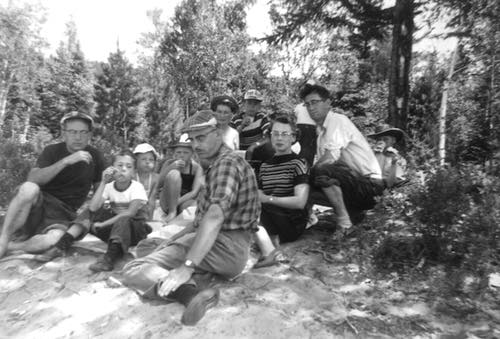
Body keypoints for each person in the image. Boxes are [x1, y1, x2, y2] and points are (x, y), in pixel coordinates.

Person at [121, 110, 260, 326]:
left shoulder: (226, 164)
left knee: (133, 269)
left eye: (201, 138)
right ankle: (199, 277)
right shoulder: (216, 163)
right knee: (150, 245)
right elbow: (199, 220)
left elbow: (214, 217)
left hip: (226, 246)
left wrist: (186, 265)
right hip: (227, 247)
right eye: (192, 139)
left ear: (218, 133)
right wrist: (174, 239)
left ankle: (190, 294)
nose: (196, 145)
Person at [0, 111, 105, 258]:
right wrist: (66, 161)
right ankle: (3, 239)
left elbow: (101, 192)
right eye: (73, 132)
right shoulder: (52, 150)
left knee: (53, 240)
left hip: (63, 213)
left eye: (83, 132)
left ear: (89, 135)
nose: (78, 137)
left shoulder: (96, 156)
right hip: (38, 204)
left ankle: (12, 247)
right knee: (28, 188)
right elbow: (33, 178)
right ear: (64, 133)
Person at [300, 81, 384, 232]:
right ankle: (308, 218)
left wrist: (305, 174)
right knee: (305, 180)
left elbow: (330, 158)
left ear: (328, 103)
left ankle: (345, 224)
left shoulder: (337, 121)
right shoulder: (321, 135)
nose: (311, 108)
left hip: (371, 186)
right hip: (354, 184)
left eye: (315, 102)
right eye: (307, 104)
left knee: (320, 171)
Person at [254, 114, 310, 268]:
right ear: (270, 137)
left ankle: (270, 253)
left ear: (293, 138)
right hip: (270, 217)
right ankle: (269, 247)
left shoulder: (298, 163)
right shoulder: (265, 166)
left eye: (285, 134)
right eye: (275, 133)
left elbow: (300, 202)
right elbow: (258, 195)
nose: (279, 138)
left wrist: (268, 199)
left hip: (291, 222)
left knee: (259, 208)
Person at [87, 150, 152, 272]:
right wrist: (103, 182)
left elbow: (130, 213)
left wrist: (103, 224)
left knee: (124, 217)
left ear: (133, 172)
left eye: (128, 167)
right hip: (116, 229)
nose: (123, 169)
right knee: (92, 215)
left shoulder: (137, 187)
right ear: (112, 169)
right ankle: (65, 240)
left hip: (135, 230)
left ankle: (109, 259)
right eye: (119, 165)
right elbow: (93, 208)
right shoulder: (109, 186)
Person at [158, 134, 204, 224]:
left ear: (191, 154)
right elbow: (158, 183)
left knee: (192, 205)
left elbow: (194, 192)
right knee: (174, 174)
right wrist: (171, 167)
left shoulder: (196, 168)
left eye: (185, 152)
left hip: (183, 201)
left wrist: (176, 202)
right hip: (167, 201)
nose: (181, 155)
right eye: (178, 152)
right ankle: (172, 213)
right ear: (174, 153)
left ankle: (177, 218)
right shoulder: (169, 163)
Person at [230, 89, 274, 165]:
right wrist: (242, 126)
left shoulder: (262, 117)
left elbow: (267, 136)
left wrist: (254, 146)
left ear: (259, 106)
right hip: (239, 153)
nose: (252, 106)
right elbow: (230, 137)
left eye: (255, 104)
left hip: (257, 152)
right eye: (249, 103)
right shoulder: (236, 119)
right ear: (244, 104)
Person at [367, 124, 408, 188]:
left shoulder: (399, 159)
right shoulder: (370, 155)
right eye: (379, 139)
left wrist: (394, 163)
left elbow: (392, 183)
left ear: (393, 140)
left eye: (386, 139)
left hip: (387, 191)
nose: (382, 142)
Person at [133, 143, 160, 219]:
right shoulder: (132, 176)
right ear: (136, 161)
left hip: (146, 209)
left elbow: (152, 200)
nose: (147, 162)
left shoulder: (155, 178)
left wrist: (150, 219)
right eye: (143, 159)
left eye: (151, 160)